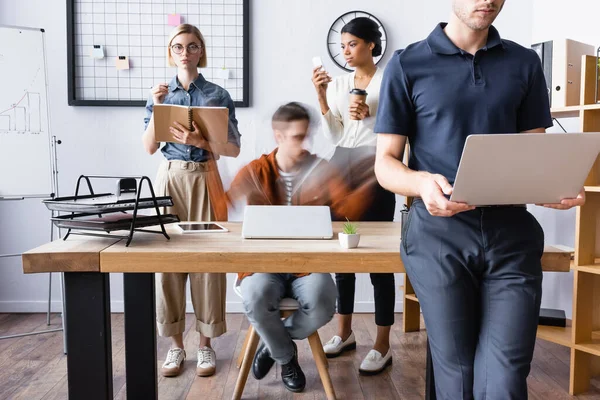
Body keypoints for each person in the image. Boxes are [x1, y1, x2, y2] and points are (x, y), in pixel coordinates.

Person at [373, 1, 585, 398]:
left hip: (511, 234)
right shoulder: (407, 63)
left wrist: (554, 182)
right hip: (438, 233)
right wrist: (421, 184)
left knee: (505, 377)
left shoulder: (524, 63)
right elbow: (385, 165)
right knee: (457, 374)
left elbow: (531, 155)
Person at [227, 102, 370, 392]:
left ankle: (274, 347)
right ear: (277, 136)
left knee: (324, 300)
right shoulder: (255, 171)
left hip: (308, 264)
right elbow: (223, 206)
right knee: (255, 297)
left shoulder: (322, 169)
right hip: (263, 264)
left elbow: (348, 210)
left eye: (305, 135)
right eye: (296, 136)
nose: (303, 142)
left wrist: (367, 180)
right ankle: (287, 356)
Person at [142, 23, 241, 378]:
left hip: (204, 175)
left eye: (193, 46)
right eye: (179, 47)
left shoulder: (216, 94)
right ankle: (175, 347)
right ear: (171, 52)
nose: (186, 52)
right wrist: (156, 106)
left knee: (207, 261)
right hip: (168, 178)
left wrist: (201, 142)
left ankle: (205, 346)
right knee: (165, 263)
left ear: (202, 51)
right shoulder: (161, 94)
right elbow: (149, 147)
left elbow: (233, 147)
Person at [311, 17, 395, 375]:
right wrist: (320, 96)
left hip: (377, 166)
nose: (345, 51)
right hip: (341, 164)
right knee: (343, 257)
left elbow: (404, 121)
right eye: (342, 45)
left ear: (372, 45)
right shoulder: (340, 83)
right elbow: (335, 134)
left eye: (353, 44)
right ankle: (344, 334)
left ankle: (382, 344)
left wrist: (374, 113)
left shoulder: (390, 79)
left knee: (378, 260)